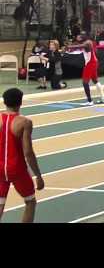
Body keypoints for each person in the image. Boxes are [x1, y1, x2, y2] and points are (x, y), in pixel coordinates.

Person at [0, 88, 44, 223]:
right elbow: (28, 152)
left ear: (4, 102)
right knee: (30, 202)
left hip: (0, 168)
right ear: (20, 102)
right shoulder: (24, 122)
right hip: (17, 169)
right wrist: (38, 175)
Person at [67, 31, 104, 106]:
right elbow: (80, 47)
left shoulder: (88, 42)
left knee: (85, 82)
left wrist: (70, 47)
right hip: (93, 62)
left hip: (90, 63)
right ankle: (103, 98)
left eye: (81, 35)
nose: (79, 36)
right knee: (95, 80)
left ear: (84, 36)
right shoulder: (86, 42)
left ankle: (90, 101)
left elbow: (80, 46)